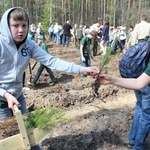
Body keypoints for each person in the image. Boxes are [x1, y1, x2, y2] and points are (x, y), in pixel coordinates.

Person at [0, 7, 99, 120]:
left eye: (24, 25)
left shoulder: (29, 45)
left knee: (24, 130)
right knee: (7, 134)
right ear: (7, 26)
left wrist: (82, 69)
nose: (21, 30)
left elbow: (52, 61)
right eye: (15, 25)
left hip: (17, 95)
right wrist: (5, 94)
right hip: (1, 99)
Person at [97, 59, 150, 149]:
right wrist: (112, 80)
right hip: (146, 84)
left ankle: (132, 141)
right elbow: (140, 83)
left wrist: (113, 80)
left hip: (137, 76)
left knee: (140, 108)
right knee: (147, 116)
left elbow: (139, 82)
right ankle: (138, 146)